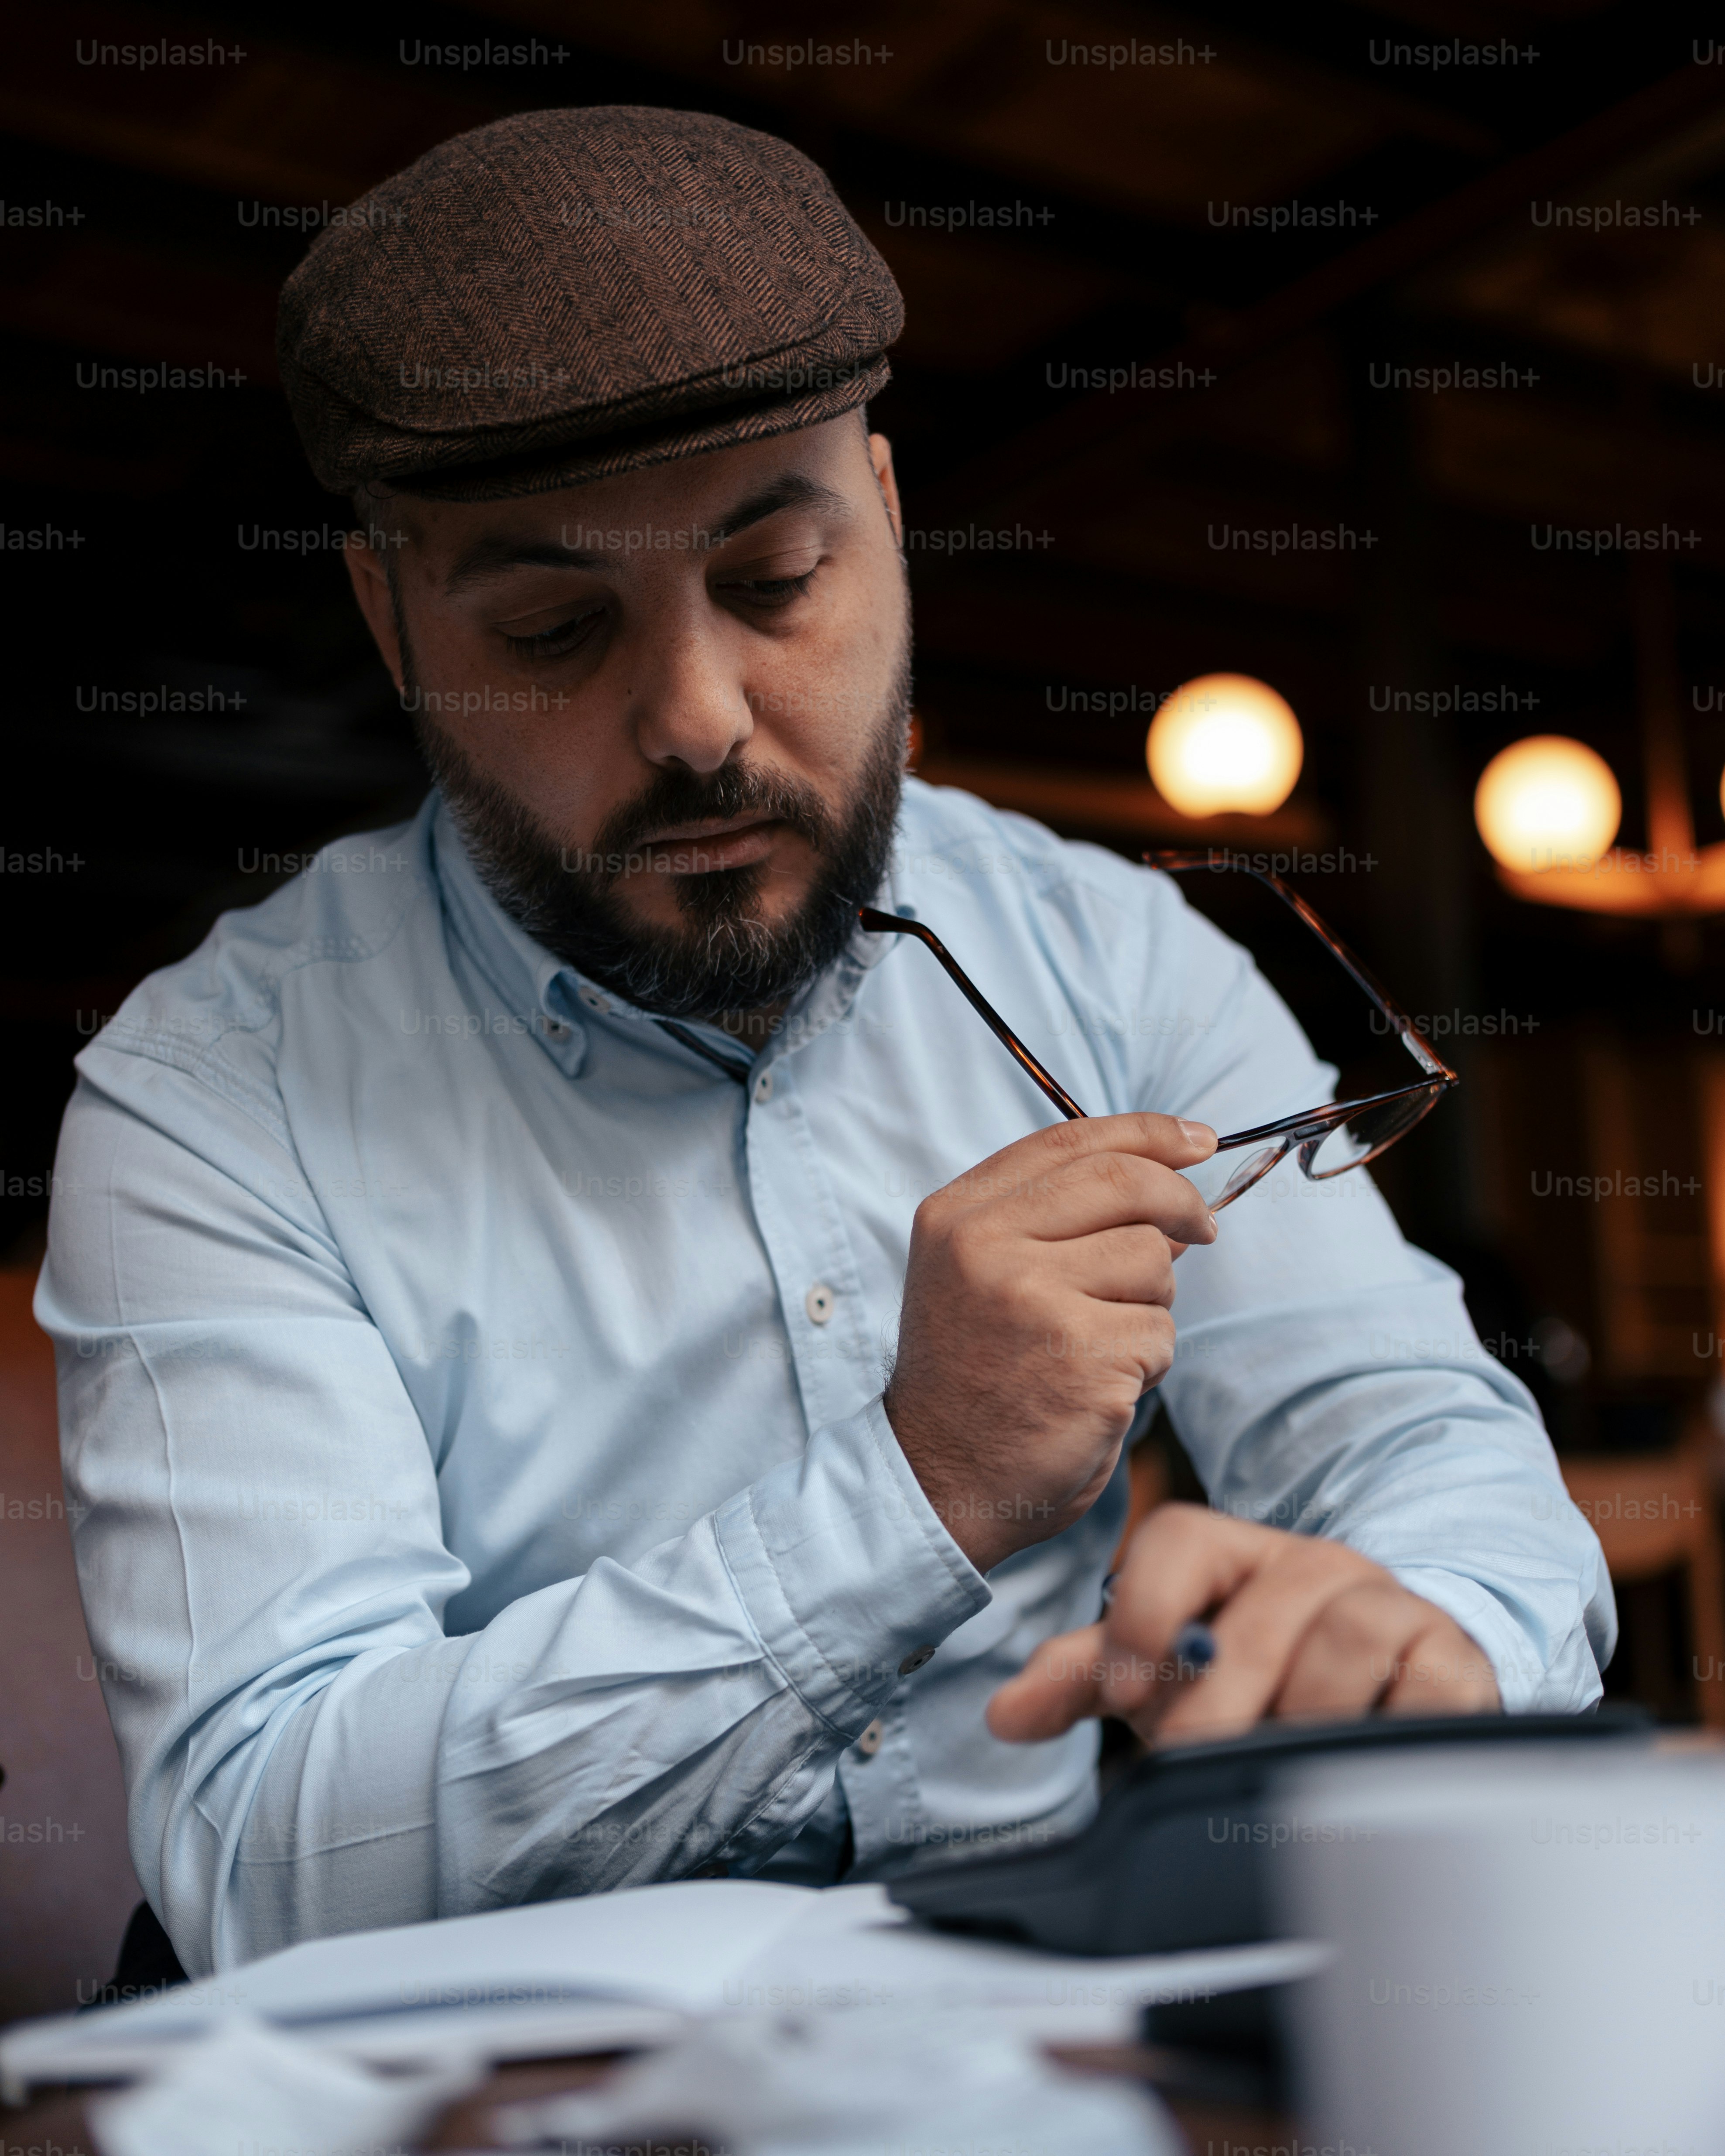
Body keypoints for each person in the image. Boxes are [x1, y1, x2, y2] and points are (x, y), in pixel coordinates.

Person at [37, 106, 1612, 1976]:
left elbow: (1424, 1448)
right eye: (553, 627)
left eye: (777, 583)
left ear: (882, 516)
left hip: (1037, 2030)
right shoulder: (210, 1097)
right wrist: (915, 1485)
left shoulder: (1107, 956)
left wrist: (1418, 1640)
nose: (699, 718)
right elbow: (268, 1851)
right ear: (392, 621)